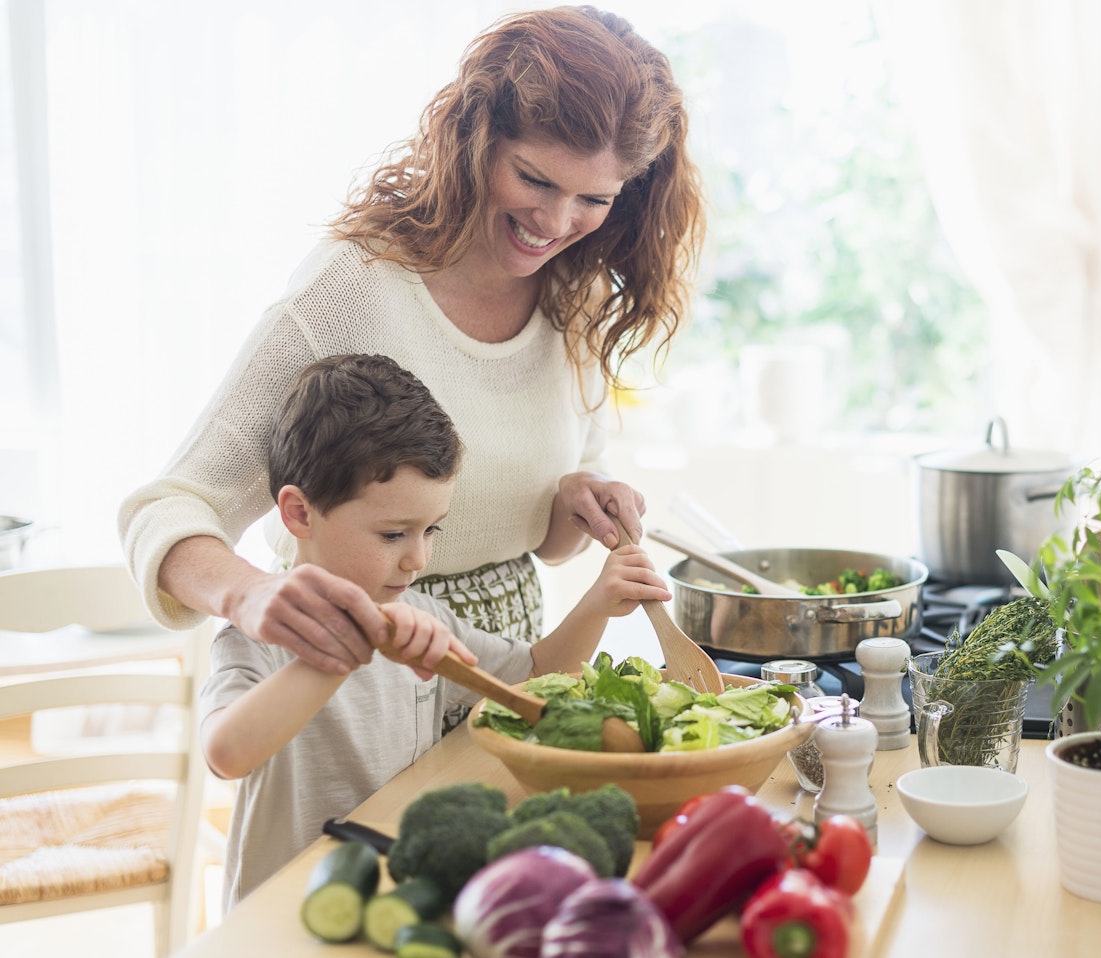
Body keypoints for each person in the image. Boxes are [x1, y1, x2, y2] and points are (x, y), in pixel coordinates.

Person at [118, 5, 704, 675]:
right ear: (474, 139)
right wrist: (251, 595)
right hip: (350, 672)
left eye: (593, 199)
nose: (556, 221)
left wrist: (580, 494)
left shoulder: (576, 299)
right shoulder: (355, 286)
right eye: (535, 179)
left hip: (507, 677)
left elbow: (545, 542)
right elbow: (166, 509)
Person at [200, 353, 670, 910]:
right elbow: (226, 754)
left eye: (431, 531)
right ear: (299, 514)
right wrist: (343, 649)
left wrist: (599, 602)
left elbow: (537, 677)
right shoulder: (255, 637)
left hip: (398, 898)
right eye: (394, 533)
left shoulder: (426, 618)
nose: (418, 559)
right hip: (283, 912)